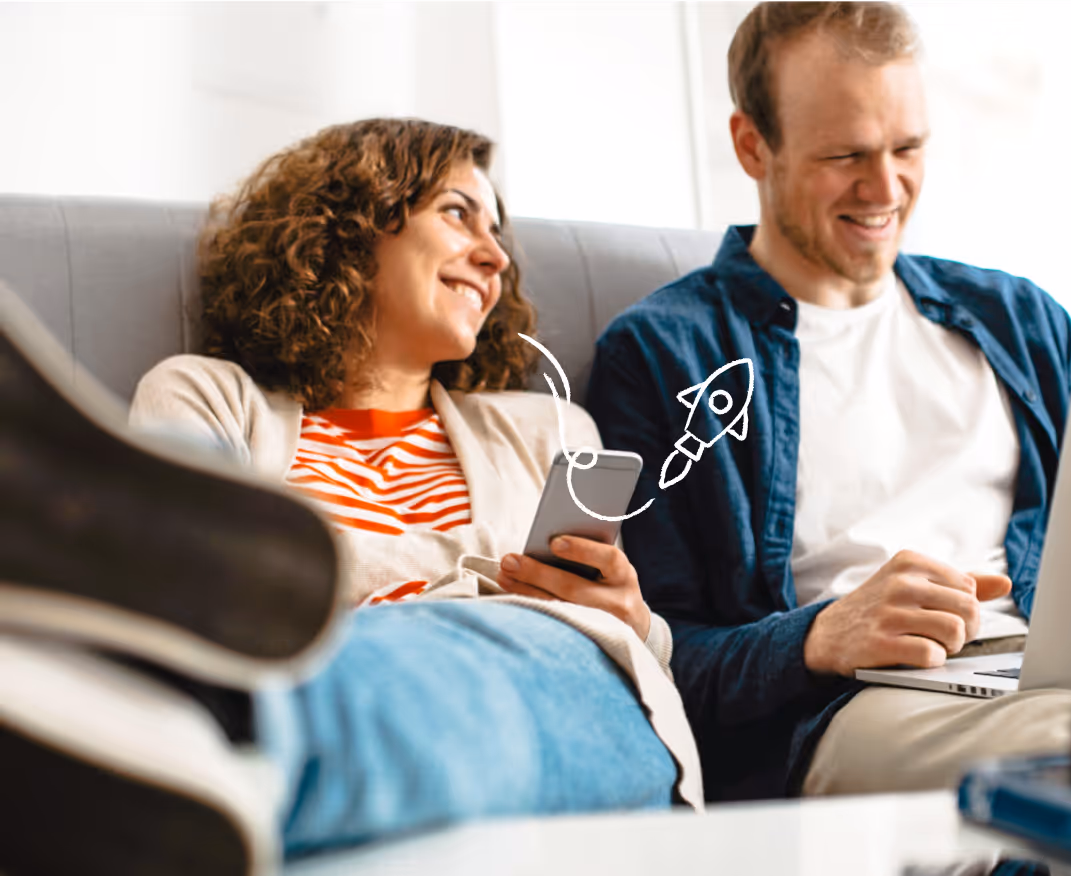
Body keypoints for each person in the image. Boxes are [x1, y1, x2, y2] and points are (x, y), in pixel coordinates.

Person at [0, 118, 700, 876]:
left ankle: (193, 726)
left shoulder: (549, 429)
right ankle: (149, 698)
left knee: (464, 666)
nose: (496, 258)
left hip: (543, 669)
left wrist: (641, 624)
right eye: (458, 213)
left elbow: (616, 642)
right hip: (291, 657)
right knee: (190, 504)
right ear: (355, 223)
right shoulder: (211, 397)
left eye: (498, 232)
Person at [585, 0, 1071, 803]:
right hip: (854, 707)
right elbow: (648, 648)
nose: (885, 188)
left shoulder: (1023, 323)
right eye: (845, 154)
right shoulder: (665, 354)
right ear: (753, 145)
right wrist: (819, 636)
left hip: (1055, 671)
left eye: (908, 147)